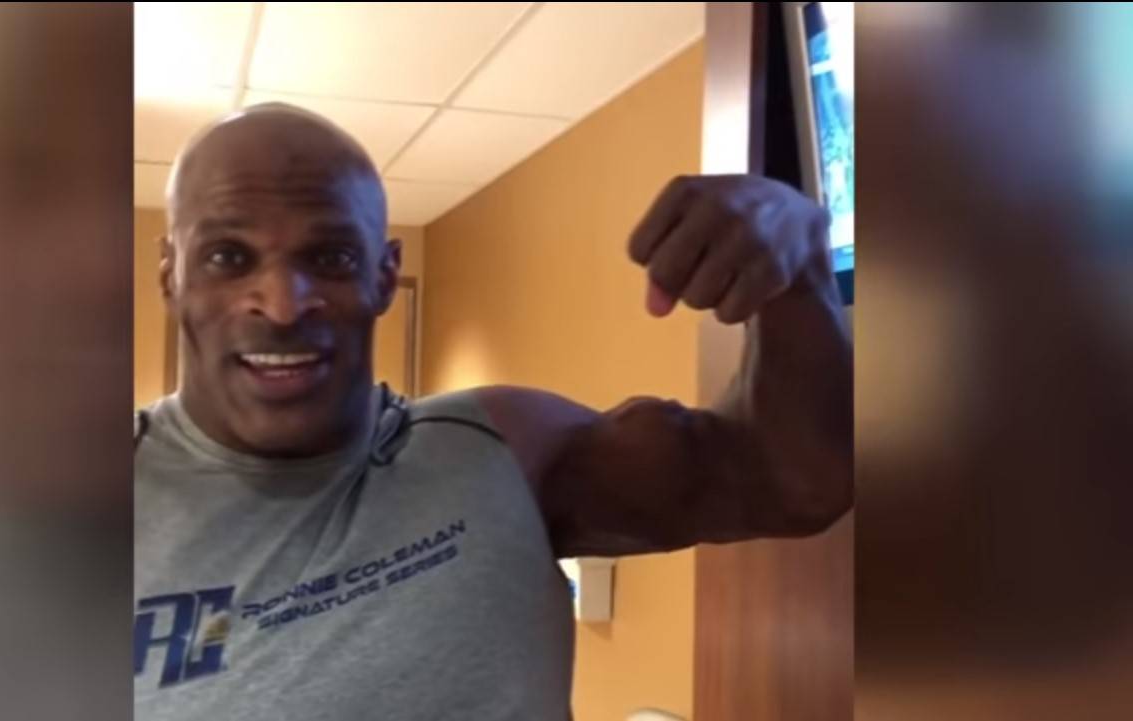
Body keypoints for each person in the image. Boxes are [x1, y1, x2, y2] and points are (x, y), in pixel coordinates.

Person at [134, 103, 852, 719]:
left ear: (384, 275)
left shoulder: (502, 448)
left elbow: (794, 484)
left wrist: (800, 274)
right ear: (172, 275)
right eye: (228, 258)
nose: (283, 304)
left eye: (332, 258)